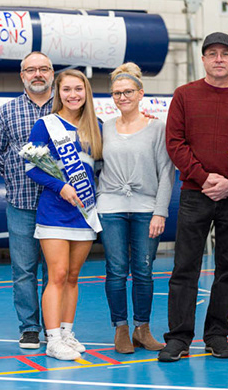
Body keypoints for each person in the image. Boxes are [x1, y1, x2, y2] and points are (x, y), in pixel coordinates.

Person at [160, 32, 228, 362]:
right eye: (212, 53)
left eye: (225, 53)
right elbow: (175, 143)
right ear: (203, 59)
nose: (219, 59)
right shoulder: (184, 95)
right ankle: (179, 337)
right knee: (185, 267)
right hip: (195, 193)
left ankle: (216, 333)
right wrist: (205, 178)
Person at [29, 70, 106, 362]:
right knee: (57, 275)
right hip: (55, 212)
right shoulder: (45, 125)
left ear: (86, 92)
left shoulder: (95, 126)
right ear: (57, 93)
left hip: (84, 212)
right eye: (67, 90)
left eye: (78, 89)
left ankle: (67, 332)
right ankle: (52, 339)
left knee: (73, 276)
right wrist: (61, 187)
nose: (73, 95)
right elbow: (32, 168)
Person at [98, 62, 173, 354]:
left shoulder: (157, 128)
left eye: (128, 91)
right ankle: (121, 329)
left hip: (146, 208)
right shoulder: (104, 127)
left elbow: (166, 173)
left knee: (143, 270)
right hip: (111, 206)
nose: (122, 97)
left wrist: (160, 211)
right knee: (116, 270)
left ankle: (143, 328)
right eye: (117, 93)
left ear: (140, 93)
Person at [0, 51, 56, 350]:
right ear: (22, 75)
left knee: (57, 271)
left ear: (52, 73)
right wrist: (15, 176)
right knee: (24, 270)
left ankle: (56, 327)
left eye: (44, 69)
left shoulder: (67, 107)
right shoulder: (7, 111)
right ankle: (29, 328)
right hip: (22, 203)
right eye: (31, 69)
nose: (37, 74)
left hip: (60, 205)